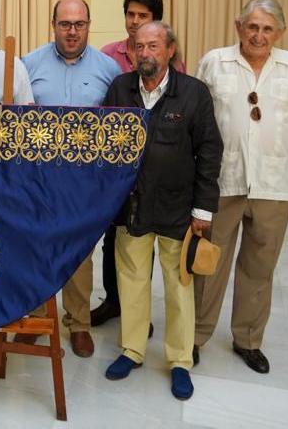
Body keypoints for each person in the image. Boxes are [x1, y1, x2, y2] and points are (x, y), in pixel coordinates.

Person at [102, 21, 222, 401]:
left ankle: (180, 361)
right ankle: (132, 350)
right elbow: (106, 146)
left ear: (171, 50)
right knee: (132, 280)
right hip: (131, 207)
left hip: (178, 208)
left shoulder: (194, 93)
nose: (146, 53)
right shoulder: (120, 88)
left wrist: (204, 208)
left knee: (178, 286)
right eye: (139, 46)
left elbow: (210, 152)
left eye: (154, 46)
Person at [194, 0, 288, 373]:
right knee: (208, 263)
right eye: (252, 26)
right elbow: (200, 123)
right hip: (222, 181)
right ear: (238, 26)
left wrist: (269, 155)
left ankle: (248, 339)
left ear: (280, 32)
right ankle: (195, 335)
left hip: (273, 186)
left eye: (267, 28)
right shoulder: (215, 62)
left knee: (259, 267)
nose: (259, 35)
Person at [21, 0, 122, 358]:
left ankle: (78, 323)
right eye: (65, 24)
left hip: (84, 182)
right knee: (37, 246)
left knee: (79, 252)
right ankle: (34, 318)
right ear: (53, 25)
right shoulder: (28, 64)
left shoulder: (107, 68)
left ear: (89, 25)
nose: (72, 31)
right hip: (38, 179)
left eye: (79, 24)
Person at [93, 0, 182, 327]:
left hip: (157, 166)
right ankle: (114, 302)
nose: (134, 22)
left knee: (146, 243)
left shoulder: (172, 57)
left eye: (142, 16)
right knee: (114, 237)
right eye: (130, 15)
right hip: (119, 170)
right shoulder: (107, 55)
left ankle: (138, 312)